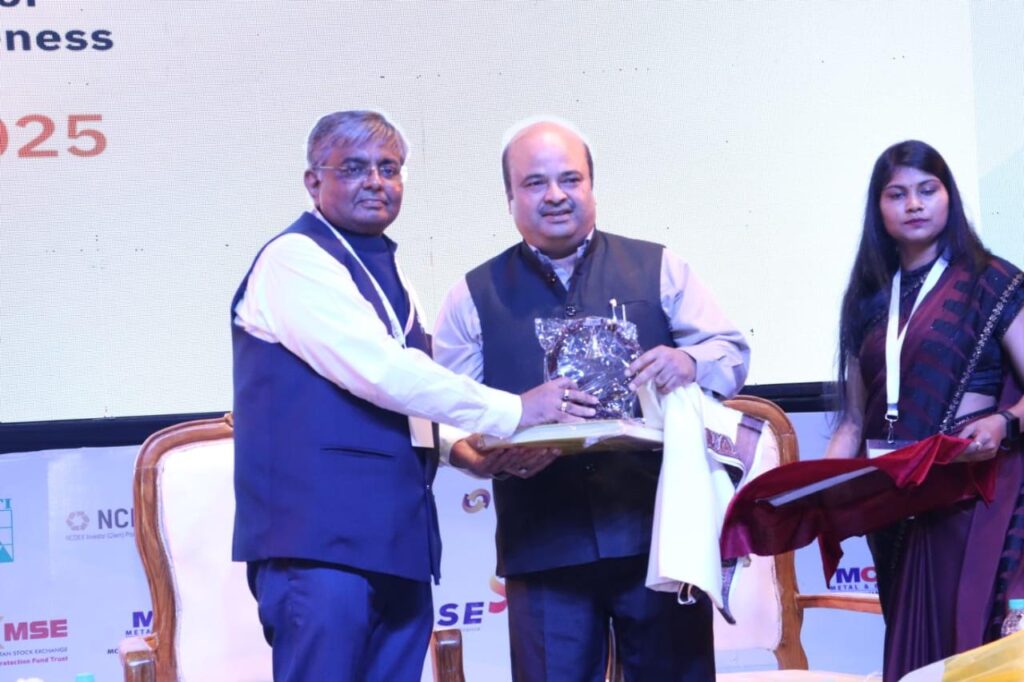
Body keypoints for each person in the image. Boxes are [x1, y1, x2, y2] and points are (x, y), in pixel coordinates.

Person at [230, 110, 597, 682]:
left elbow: (406, 397)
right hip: (320, 545)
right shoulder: (293, 259)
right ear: (313, 181)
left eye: (389, 168)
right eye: (354, 168)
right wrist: (516, 410)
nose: (375, 181)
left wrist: (462, 449)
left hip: (397, 540)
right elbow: (381, 373)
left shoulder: (389, 269)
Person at [433, 118, 750, 681]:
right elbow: (445, 411)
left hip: (658, 539)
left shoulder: (659, 266)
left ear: (592, 188)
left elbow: (730, 350)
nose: (555, 195)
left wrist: (689, 362)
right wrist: (476, 455)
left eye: (570, 179)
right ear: (509, 198)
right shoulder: (472, 295)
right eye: (534, 183)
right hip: (542, 545)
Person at [825, 140, 1024, 680]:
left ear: (948, 197)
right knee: (912, 654)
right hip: (893, 505)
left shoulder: (991, 281)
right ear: (879, 208)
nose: (913, 204)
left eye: (926, 190)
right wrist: (820, 491)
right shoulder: (868, 298)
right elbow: (853, 419)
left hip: (967, 497)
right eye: (897, 194)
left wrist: (1003, 421)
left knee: (969, 647)